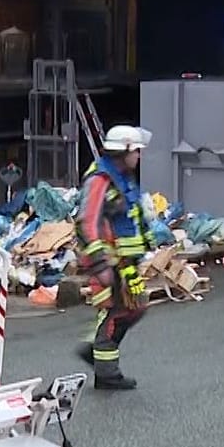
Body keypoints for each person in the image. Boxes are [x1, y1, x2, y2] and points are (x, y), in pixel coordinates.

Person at [73, 124, 153, 390]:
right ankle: (106, 372)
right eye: (137, 151)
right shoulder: (100, 179)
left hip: (125, 262)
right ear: (125, 150)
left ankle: (95, 353)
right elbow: (87, 222)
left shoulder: (122, 176)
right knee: (113, 312)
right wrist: (100, 264)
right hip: (108, 263)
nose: (139, 156)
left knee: (136, 307)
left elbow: (131, 216)